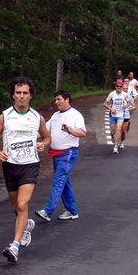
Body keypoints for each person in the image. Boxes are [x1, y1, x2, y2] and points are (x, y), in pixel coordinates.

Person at [0, 76, 51, 263]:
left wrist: (43, 144)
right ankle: (27, 225)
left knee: (23, 205)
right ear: (13, 95)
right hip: (10, 166)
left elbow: (47, 137)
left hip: (30, 165)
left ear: (30, 96)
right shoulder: (5, 116)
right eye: (18, 93)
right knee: (16, 207)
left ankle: (14, 247)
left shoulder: (37, 117)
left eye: (25, 93)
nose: (21, 96)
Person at [35, 90, 86, 223]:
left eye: (59, 99)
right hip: (56, 154)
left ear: (67, 99)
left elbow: (82, 132)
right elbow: (43, 132)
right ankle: (72, 211)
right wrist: (25, 135)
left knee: (58, 181)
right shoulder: (56, 115)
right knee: (64, 181)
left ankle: (48, 211)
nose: (56, 102)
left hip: (68, 153)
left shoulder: (75, 115)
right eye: (55, 99)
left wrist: (70, 130)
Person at [103, 80, 131, 154]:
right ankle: (112, 136)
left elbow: (129, 102)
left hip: (121, 114)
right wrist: (111, 109)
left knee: (119, 128)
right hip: (113, 115)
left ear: (122, 87)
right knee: (113, 131)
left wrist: (126, 105)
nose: (119, 88)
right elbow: (105, 103)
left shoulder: (125, 95)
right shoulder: (112, 94)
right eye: (117, 86)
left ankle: (115, 147)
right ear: (115, 87)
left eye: (120, 86)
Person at [120, 83, 136, 149]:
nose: (125, 90)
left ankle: (122, 142)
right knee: (117, 129)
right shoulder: (117, 95)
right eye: (124, 88)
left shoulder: (129, 97)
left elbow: (135, 106)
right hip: (118, 115)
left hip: (126, 115)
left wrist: (131, 108)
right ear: (121, 88)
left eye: (126, 88)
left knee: (123, 131)